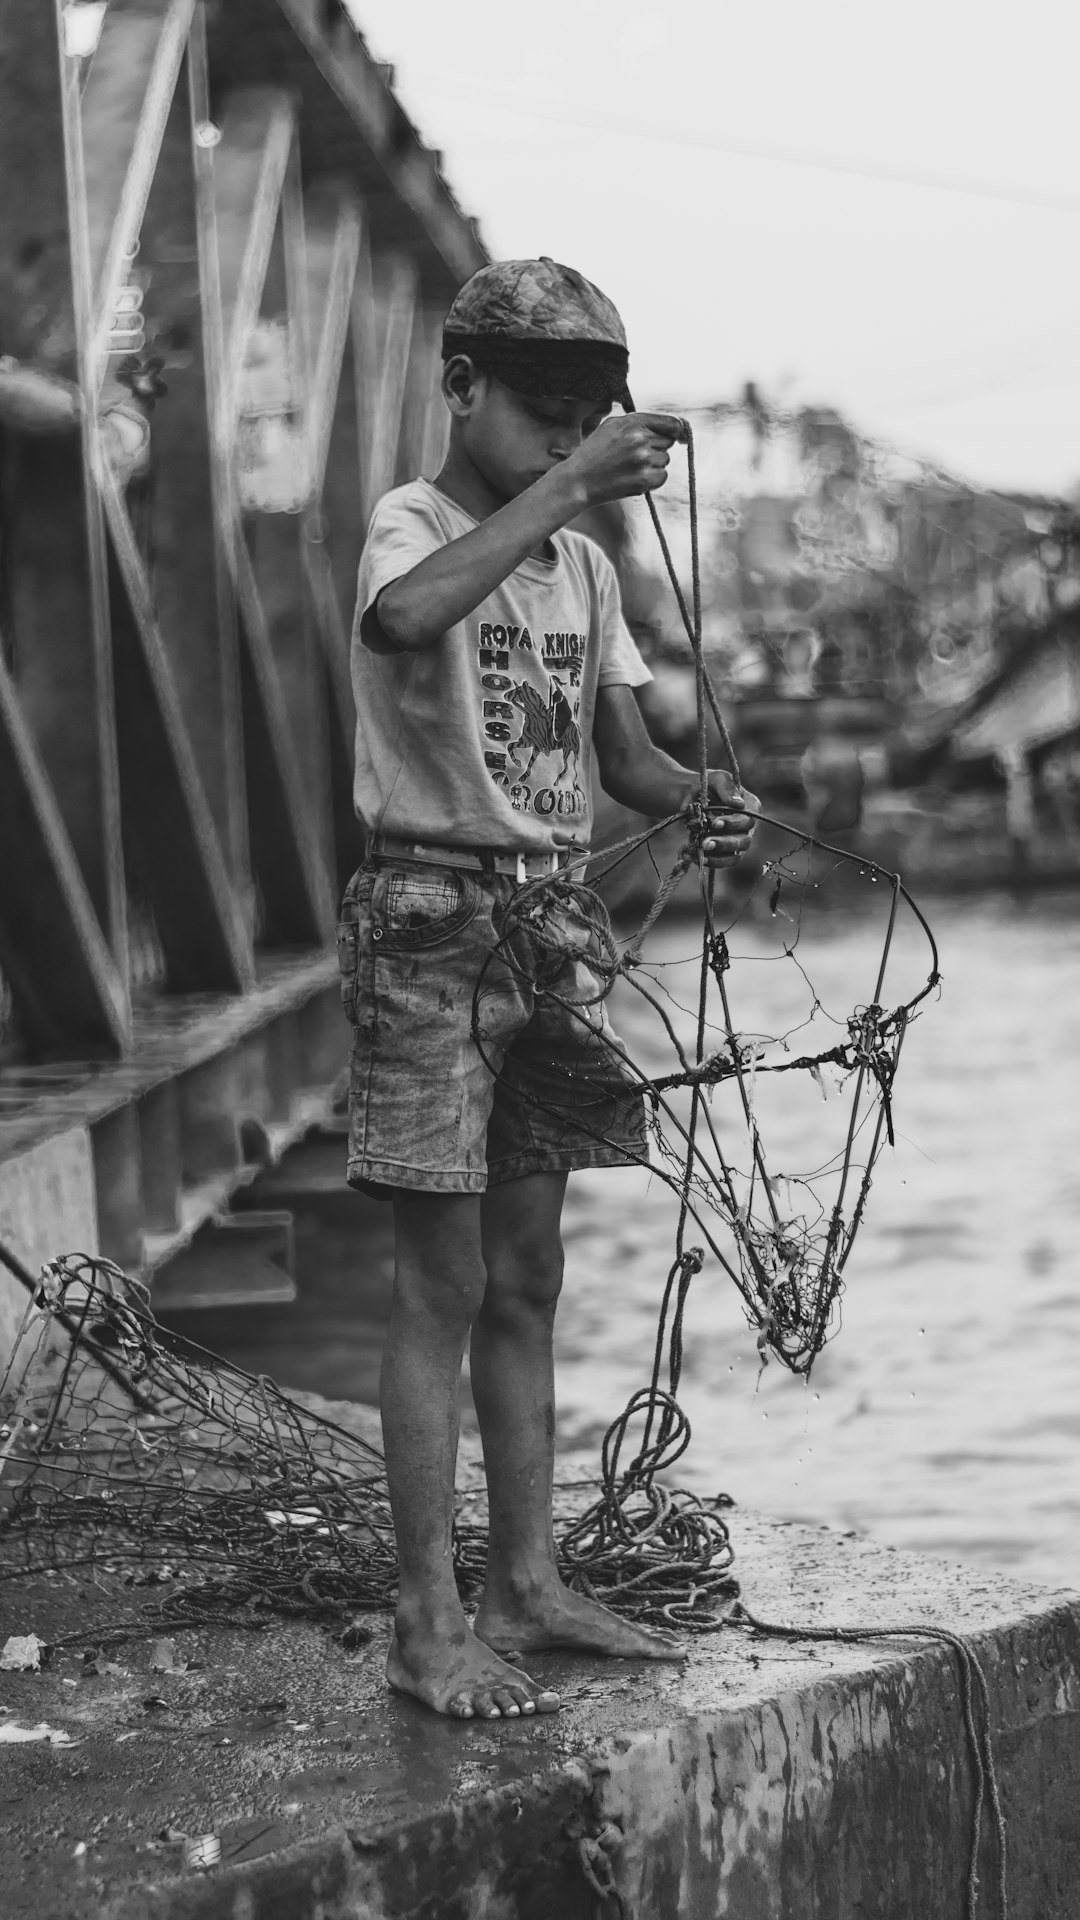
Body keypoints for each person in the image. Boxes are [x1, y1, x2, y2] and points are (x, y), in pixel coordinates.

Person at [342, 257, 757, 1721]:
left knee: (529, 1275)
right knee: (439, 1284)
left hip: (549, 922)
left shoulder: (578, 565)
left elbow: (617, 758)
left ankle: (527, 1583)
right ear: (462, 386)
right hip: (430, 918)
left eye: (593, 416)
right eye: (545, 411)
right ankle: (424, 1618)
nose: (570, 435)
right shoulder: (421, 521)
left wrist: (696, 792)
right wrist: (573, 480)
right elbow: (404, 623)